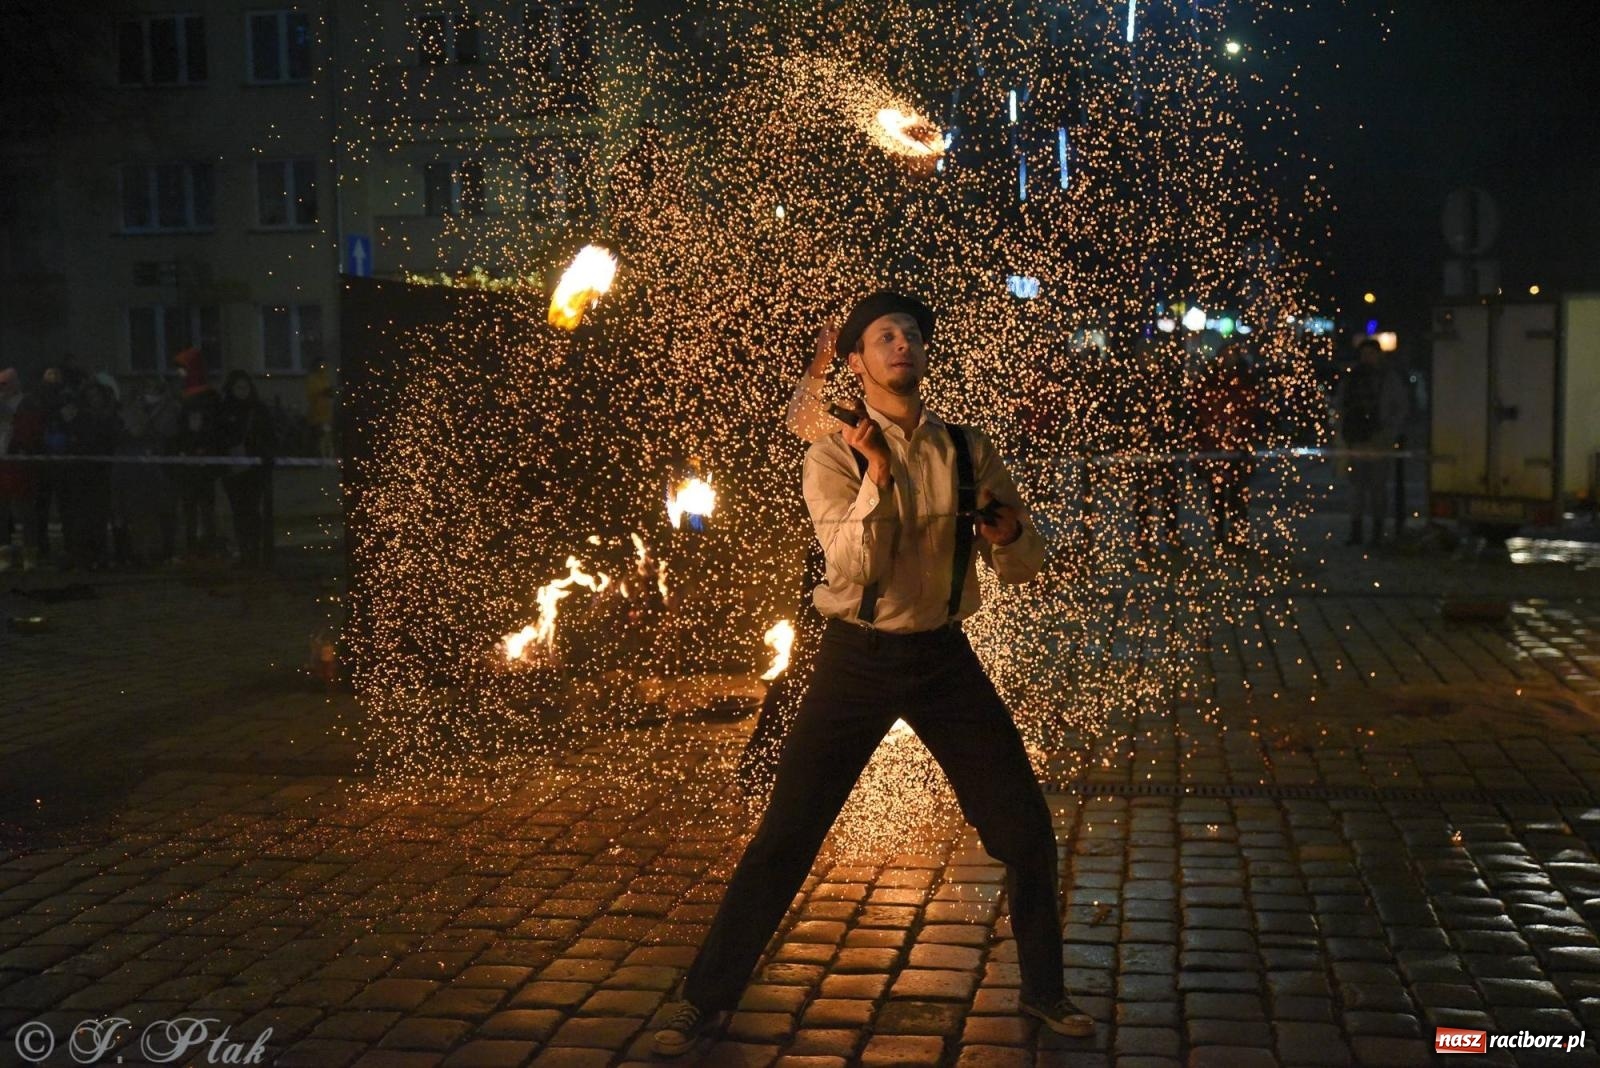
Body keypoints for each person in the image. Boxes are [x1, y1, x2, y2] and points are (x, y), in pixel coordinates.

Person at [654, 290, 1093, 1057]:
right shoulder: (830, 456)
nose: (903, 344)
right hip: (854, 661)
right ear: (855, 362)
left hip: (942, 661)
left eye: (913, 334)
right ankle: (704, 996)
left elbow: (1023, 564)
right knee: (786, 836)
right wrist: (878, 478)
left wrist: (1012, 530)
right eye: (885, 336)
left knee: (1025, 830)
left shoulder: (966, 450)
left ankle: (1045, 990)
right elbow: (850, 564)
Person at [735, 321, 842, 802]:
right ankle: (765, 767)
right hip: (834, 561)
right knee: (807, 665)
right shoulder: (853, 415)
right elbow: (802, 419)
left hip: (897, 574)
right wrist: (821, 362)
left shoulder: (917, 419)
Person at [1337, 338, 1408, 546]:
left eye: (1371, 353)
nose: (1367, 358)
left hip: (1378, 438)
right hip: (1358, 439)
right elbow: (1341, 403)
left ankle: (1376, 532)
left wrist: (1388, 432)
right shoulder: (1354, 378)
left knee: (1377, 487)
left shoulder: (1388, 378)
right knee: (1358, 487)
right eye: (1364, 354)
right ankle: (1357, 531)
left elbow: (1400, 407)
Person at [1192, 342, 1262, 550]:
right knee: (1217, 493)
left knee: (1238, 493)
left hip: (1238, 446)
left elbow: (1252, 410)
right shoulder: (1209, 380)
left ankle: (1238, 534)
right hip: (1214, 447)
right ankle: (1219, 533)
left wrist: (1239, 430)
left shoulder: (1245, 379)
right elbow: (1199, 411)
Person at [217, 370, 275, 568]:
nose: (242, 391)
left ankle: (255, 552)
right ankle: (244, 552)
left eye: (245, 387)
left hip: (254, 470)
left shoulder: (258, 409)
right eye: (238, 387)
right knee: (238, 511)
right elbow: (218, 438)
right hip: (233, 469)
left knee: (252, 510)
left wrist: (256, 452)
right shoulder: (224, 410)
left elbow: (269, 436)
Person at [172, 347, 222, 558]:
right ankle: (195, 544)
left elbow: (209, 428)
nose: (179, 374)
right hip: (189, 459)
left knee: (203, 504)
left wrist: (201, 448)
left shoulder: (204, 399)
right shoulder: (187, 397)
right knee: (191, 505)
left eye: (183, 369)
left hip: (202, 460)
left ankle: (205, 544)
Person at [0, 368, 44, 572]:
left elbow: (32, 431)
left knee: (26, 511)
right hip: (2, 463)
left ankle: (30, 555)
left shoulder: (27, 403)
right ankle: (5, 554)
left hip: (19, 463)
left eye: (5, 384)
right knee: (2, 511)